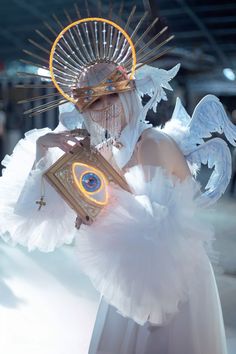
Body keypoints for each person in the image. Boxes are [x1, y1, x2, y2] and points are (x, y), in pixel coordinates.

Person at [0, 10, 234, 354]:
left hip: (170, 282)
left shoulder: (153, 143)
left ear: (128, 92)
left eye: (112, 95)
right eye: (94, 102)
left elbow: (169, 227)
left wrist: (103, 218)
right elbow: (36, 215)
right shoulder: (106, 152)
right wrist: (43, 152)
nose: (105, 108)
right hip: (130, 283)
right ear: (85, 110)